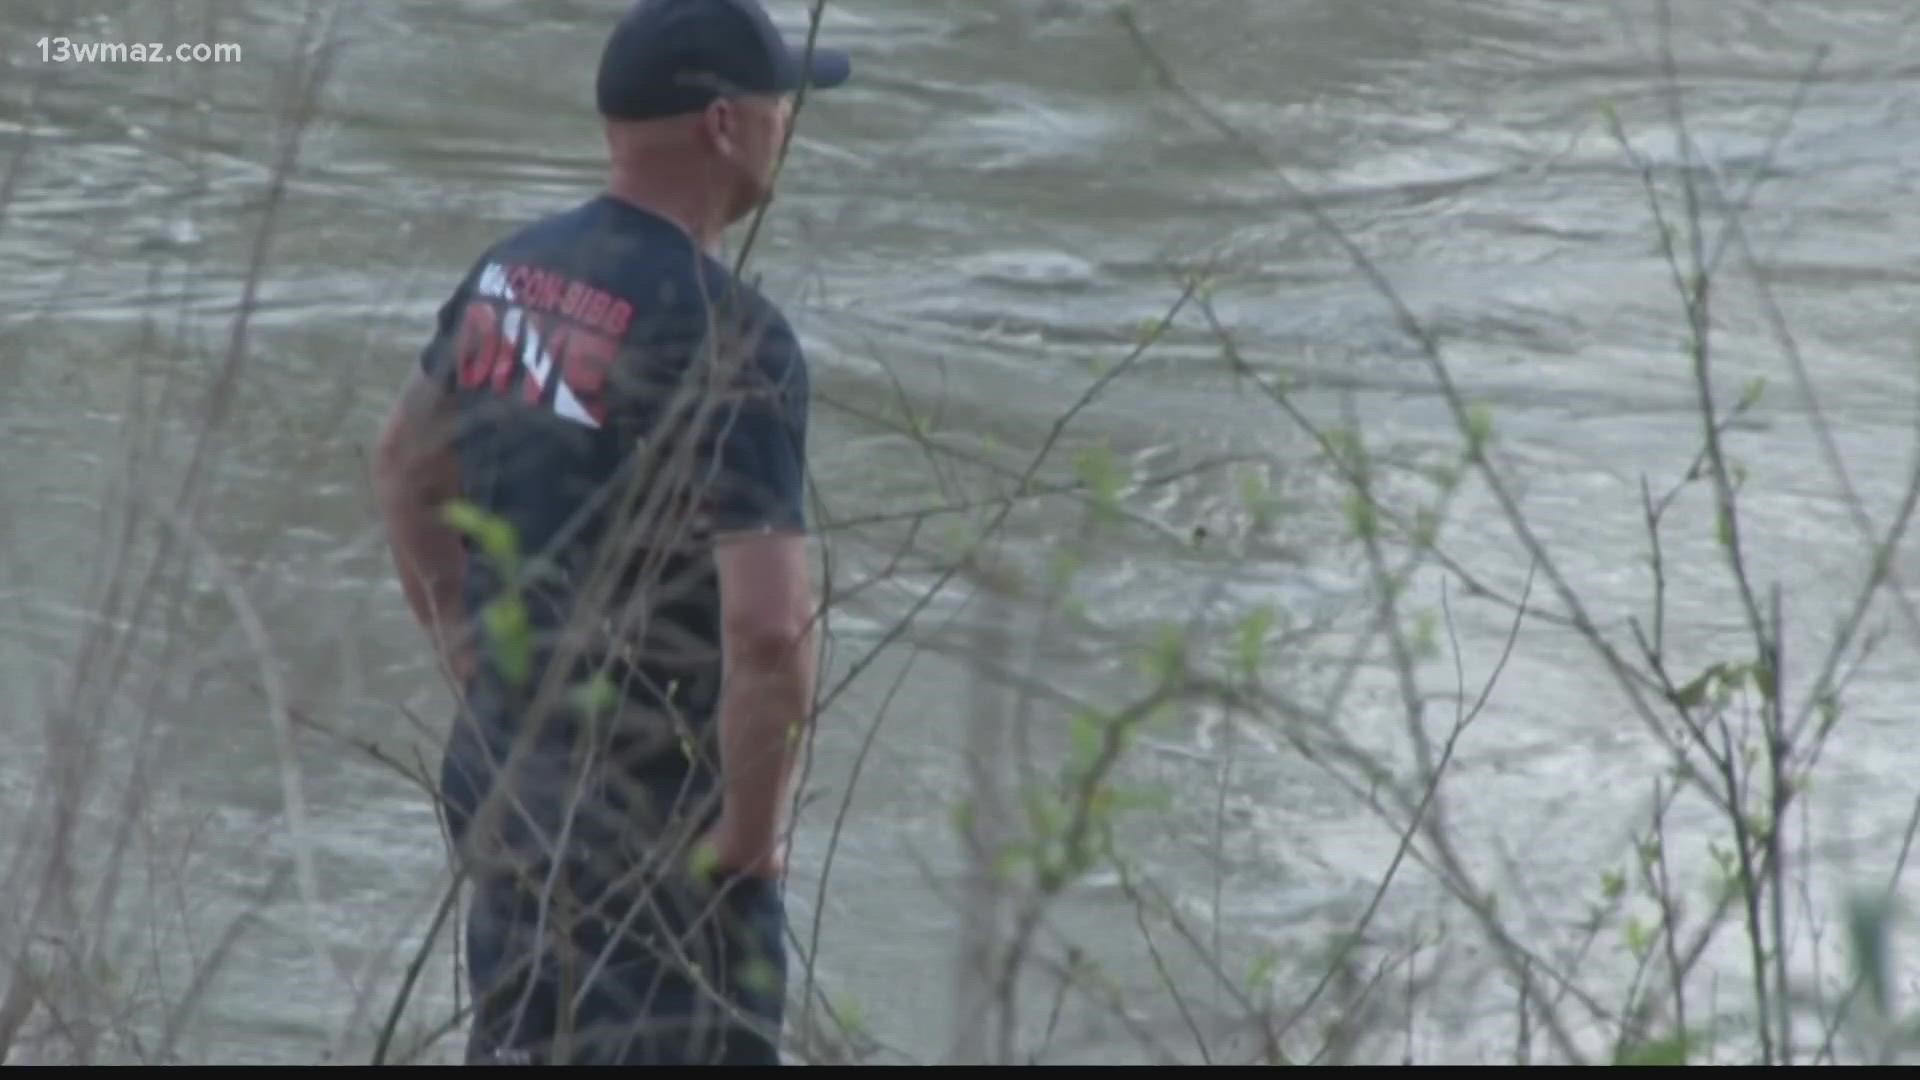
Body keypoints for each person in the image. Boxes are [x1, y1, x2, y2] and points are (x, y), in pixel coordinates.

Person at [371, 0, 850, 1064]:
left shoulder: (514, 270)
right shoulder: (733, 337)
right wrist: (747, 838)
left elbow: (403, 463)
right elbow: (769, 632)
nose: (790, 122)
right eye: (782, 100)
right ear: (723, 124)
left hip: (506, 769)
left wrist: (464, 643)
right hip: (651, 816)